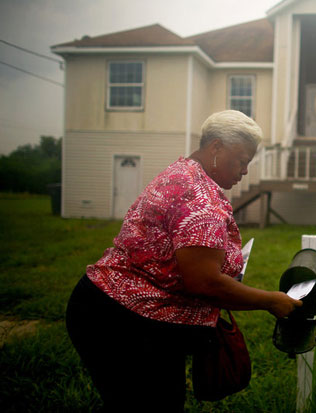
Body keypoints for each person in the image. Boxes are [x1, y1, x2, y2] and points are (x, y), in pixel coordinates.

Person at [66, 110, 302, 412]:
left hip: (110, 307)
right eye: (242, 161)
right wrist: (271, 301)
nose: (245, 171)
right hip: (122, 321)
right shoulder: (199, 198)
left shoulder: (184, 171)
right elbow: (203, 282)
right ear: (216, 147)